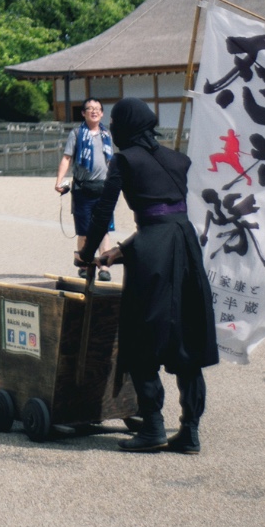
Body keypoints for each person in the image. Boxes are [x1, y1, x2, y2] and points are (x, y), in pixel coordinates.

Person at [75, 97, 218, 453]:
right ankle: (189, 431)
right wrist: (120, 251)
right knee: (186, 339)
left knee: (141, 336)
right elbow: (168, 217)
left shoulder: (124, 159)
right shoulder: (178, 160)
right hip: (184, 247)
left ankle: (153, 426)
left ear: (125, 126)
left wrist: (87, 254)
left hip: (152, 252)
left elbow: (103, 213)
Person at [57, 98, 116, 280]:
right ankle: (84, 264)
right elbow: (67, 158)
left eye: (97, 109)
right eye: (89, 109)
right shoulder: (77, 134)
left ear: (102, 113)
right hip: (83, 189)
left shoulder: (107, 135)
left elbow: (112, 161)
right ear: (83, 113)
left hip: (104, 189)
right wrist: (59, 181)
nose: (94, 111)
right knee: (83, 231)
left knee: (104, 229)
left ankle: (104, 267)